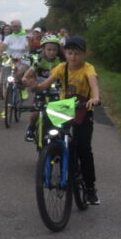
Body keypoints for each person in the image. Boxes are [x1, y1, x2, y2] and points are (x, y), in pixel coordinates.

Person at [34, 36, 101, 204]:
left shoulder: (88, 69)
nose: (73, 57)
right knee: (52, 134)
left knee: (84, 149)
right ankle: (53, 155)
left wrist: (95, 98)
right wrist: (33, 85)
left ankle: (90, 188)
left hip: (83, 109)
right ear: (65, 53)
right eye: (70, 53)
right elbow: (44, 85)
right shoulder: (61, 67)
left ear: (84, 54)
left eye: (77, 53)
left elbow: (94, 84)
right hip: (64, 108)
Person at [22, 35, 64, 142]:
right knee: (35, 112)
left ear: (58, 50)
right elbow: (30, 71)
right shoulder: (39, 60)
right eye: (49, 49)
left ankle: (59, 131)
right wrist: (25, 78)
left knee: (57, 111)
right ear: (43, 49)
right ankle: (31, 128)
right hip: (41, 88)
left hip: (56, 89)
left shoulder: (61, 61)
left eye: (54, 50)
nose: (52, 52)